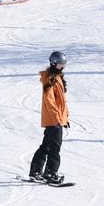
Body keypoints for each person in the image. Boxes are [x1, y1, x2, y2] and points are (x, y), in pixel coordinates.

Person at [28, 51, 70, 185]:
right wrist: (57, 118)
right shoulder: (50, 79)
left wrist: (65, 117)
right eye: (60, 65)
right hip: (53, 120)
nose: (62, 67)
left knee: (46, 146)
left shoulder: (57, 77)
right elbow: (50, 101)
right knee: (54, 148)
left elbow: (61, 101)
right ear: (53, 64)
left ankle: (35, 171)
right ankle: (50, 173)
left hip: (56, 119)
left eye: (63, 65)